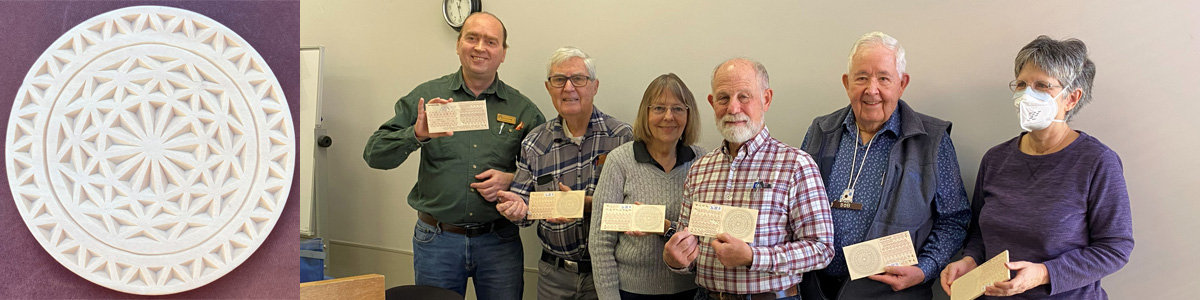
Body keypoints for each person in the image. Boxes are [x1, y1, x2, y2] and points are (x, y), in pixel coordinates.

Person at [362, 12, 545, 300]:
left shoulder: (524, 110)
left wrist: (511, 178)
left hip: (499, 241)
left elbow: (544, 178)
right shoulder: (427, 97)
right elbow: (374, 154)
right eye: (471, 38)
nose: (480, 47)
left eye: (491, 41)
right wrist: (416, 134)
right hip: (437, 241)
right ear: (458, 45)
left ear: (503, 53)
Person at [940, 36, 1134, 299]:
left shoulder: (1097, 162)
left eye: (1042, 86)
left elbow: (1115, 248)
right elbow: (979, 233)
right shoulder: (995, 159)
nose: (1026, 94)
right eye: (1021, 84)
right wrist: (970, 260)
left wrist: (1044, 273)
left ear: (1071, 98)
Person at [799, 31, 971, 299]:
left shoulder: (932, 139)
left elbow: (954, 220)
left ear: (902, 84)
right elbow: (795, 205)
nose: (872, 90)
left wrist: (925, 269)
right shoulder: (821, 130)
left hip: (893, 293)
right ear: (847, 83)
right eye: (862, 78)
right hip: (818, 290)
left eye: (883, 78)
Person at [663, 58, 835, 300]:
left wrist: (753, 257)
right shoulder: (700, 169)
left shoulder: (796, 165)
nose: (733, 108)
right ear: (712, 103)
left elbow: (822, 249)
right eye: (723, 98)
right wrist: (676, 260)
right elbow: (689, 250)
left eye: (744, 96)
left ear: (766, 99)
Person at [494, 47, 633, 300]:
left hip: (607, 274)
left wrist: (581, 204)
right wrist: (516, 208)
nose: (568, 88)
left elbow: (633, 211)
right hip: (553, 277)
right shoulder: (534, 143)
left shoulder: (622, 138)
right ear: (549, 88)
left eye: (578, 79)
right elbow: (523, 209)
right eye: (559, 80)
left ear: (594, 86)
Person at [589, 73, 703, 300]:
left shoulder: (702, 162)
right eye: (659, 108)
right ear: (646, 113)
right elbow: (600, 243)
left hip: (691, 291)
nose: (669, 117)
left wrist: (665, 227)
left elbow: (705, 235)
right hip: (631, 292)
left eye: (678, 109)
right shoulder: (619, 161)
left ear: (689, 115)